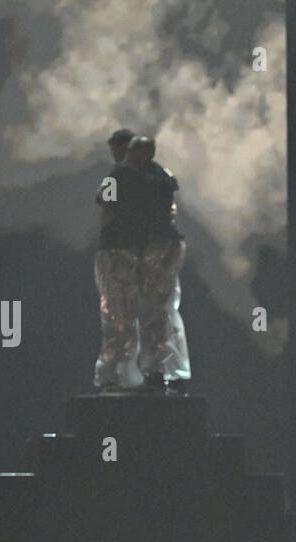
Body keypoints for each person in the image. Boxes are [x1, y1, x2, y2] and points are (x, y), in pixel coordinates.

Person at [123, 135, 191, 395]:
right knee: (165, 311)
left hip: (158, 245)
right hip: (164, 244)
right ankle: (172, 372)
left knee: (155, 311)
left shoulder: (146, 178)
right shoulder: (158, 176)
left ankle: (158, 371)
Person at [93, 128, 143, 392]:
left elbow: (105, 202)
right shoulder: (140, 176)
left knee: (115, 312)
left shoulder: (120, 174)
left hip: (115, 249)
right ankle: (123, 372)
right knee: (126, 313)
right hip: (128, 250)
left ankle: (114, 374)